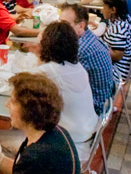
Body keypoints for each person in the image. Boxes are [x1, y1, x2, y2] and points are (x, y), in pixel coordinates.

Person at [36, 22, 98, 162]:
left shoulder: (49, 71)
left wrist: (39, 58)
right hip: (86, 139)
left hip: (66, 148)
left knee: (3, 137)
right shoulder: (78, 67)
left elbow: (26, 96)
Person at [58, 4, 115, 111]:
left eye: (65, 24)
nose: (59, 28)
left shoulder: (81, 49)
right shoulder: (89, 38)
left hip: (94, 107)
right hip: (104, 99)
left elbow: (63, 82)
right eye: (59, 22)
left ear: (80, 26)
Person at [102, 0, 131, 83]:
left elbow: (117, 56)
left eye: (104, 8)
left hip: (118, 72)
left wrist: (99, 47)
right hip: (125, 67)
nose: (102, 11)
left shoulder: (118, 29)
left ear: (113, 10)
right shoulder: (125, 19)